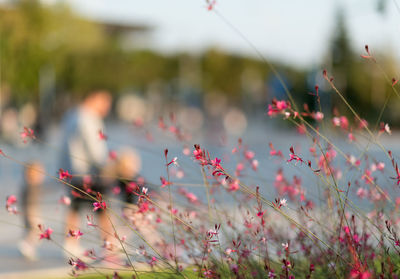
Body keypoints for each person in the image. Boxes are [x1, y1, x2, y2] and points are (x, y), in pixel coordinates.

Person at [59, 89, 112, 257]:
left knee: (74, 208)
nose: (107, 107)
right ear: (94, 97)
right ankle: (108, 245)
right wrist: (107, 166)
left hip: (72, 171)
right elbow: (95, 149)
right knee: (102, 208)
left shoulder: (72, 115)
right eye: (105, 101)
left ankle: (71, 243)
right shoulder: (88, 118)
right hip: (88, 172)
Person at [18, 161, 45, 261]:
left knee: (32, 231)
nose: (42, 176)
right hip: (32, 212)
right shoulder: (31, 187)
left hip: (32, 211)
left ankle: (28, 247)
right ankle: (26, 245)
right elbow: (29, 204)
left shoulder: (29, 186)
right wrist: (30, 216)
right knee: (36, 231)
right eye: (40, 173)